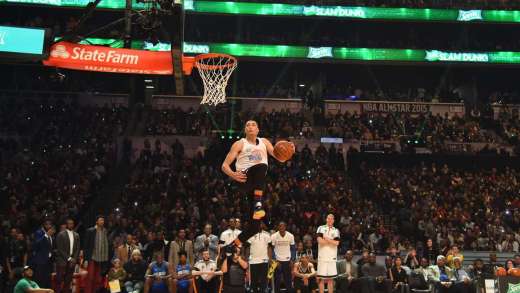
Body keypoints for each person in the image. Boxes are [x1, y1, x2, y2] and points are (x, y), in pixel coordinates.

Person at [83, 215, 111, 293]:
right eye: (100, 220)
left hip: (100, 257)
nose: (102, 221)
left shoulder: (105, 231)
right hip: (92, 256)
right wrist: (85, 259)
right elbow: (86, 245)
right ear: (96, 221)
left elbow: (105, 244)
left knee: (97, 278)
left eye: (103, 220)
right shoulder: (90, 231)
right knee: (90, 277)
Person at [316, 214, 340, 293]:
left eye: (331, 219)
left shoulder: (336, 230)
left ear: (333, 220)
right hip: (322, 257)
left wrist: (326, 238)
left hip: (332, 258)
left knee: (330, 279)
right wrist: (331, 241)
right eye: (328, 218)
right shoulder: (321, 228)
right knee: (321, 279)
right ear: (326, 219)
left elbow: (336, 243)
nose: (330, 220)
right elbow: (320, 241)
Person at [55, 218, 80, 293]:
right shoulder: (61, 234)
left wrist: (74, 259)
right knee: (59, 280)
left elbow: (77, 248)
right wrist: (69, 258)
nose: (71, 225)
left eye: (72, 223)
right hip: (62, 260)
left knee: (68, 280)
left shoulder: (76, 235)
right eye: (69, 223)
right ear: (66, 225)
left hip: (72, 261)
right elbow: (60, 249)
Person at [271, 222, 295, 293]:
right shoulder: (274, 236)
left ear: (285, 227)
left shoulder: (290, 236)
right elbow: (271, 250)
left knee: (288, 281)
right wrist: (275, 260)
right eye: (280, 226)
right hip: (277, 261)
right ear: (278, 227)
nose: (281, 228)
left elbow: (293, 249)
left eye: (283, 226)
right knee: (277, 281)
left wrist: (292, 260)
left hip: (287, 261)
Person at [247, 223, 272, 293]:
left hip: (264, 260)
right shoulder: (251, 234)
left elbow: (269, 247)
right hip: (253, 261)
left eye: (261, 224)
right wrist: (247, 258)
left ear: (263, 225)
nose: (259, 225)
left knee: (264, 280)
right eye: (258, 224)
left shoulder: (267, 235)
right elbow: (247, 247)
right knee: (254, 280)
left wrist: (269, 258)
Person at [30, 220, 54, 289]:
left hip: (49, 262)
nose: (48, 226)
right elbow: (37, 244)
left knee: (47, 281)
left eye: (50, 224)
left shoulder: (51, 233)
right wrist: (46, 235)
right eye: (47, 224)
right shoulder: (39, 232)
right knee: (40, 281)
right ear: (44, 225)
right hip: (40, 262)